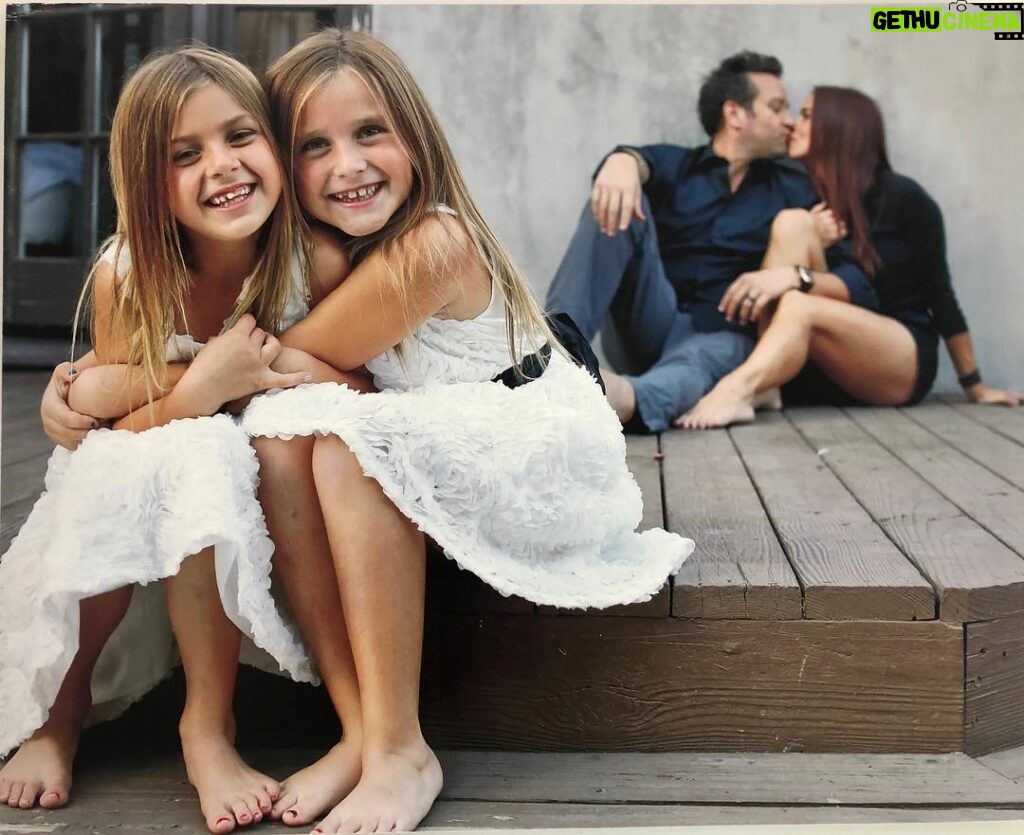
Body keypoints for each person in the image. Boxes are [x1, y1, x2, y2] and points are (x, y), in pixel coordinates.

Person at [214, 28, 691, 834]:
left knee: (346, 442)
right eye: (314, 146)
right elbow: (298, 373)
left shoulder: (436, 240)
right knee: (281, 436)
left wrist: (245, 374)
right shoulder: (324, 249)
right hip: (456, 429)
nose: (348, 166)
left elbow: (297, 358)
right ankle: (358, 726)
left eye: (370, 132)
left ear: (415, 136)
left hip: (539, 441)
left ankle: (402, 746)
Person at [0, 47, 362, 834]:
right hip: (145, 483)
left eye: (240, 136)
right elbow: (108, 426)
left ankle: (207, 722)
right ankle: (59, 714)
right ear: (143, 181)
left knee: (200, 457)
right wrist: (192, 390)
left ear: (271, 138)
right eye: (184, 155)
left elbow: (364, 391)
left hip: (261, 498)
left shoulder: (315, 263)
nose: (222, 167)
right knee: (139, 464)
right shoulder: (129, 274)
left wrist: (211, 397)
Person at [546, 51, 876, 434]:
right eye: (777, 108)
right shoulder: (678, 165)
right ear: (735, 114)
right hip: (652, 320)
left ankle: (618, 398)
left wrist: (800, 261)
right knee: (617, 205)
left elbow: (857, 282)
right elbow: (634, 164)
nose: (788, 121)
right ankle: (554, 353)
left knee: (702, 361)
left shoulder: (794, 190)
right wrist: (621, 164)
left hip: (726, 334)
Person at [679, 86, 1021, 429]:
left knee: (799, 304)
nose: (793, 124)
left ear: (839, 126)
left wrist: (974, 385)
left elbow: (939, 294)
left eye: (807, 115)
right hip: (827, 364)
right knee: (792, 223)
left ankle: (739, 388)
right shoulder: (803, 196)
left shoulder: (901, 197)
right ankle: (770, 383)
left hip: (896, 359)